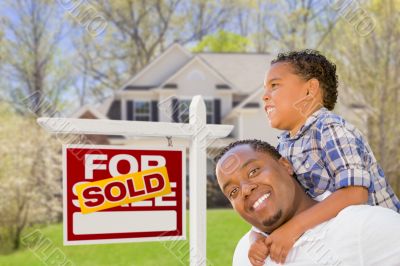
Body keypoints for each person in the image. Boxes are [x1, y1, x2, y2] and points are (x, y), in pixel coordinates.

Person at [243, 50, 400, 264]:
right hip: (337, 246)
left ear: (310, 89)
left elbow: (355, 194)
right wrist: (256, 238)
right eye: (265, 89)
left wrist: (294, 228)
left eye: (275, 85)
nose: (265, 96)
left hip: (376, 248)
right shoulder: (284, 146)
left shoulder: (330, 129)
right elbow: (281, 203)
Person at [214, 139, 400, 265]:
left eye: (254, 171)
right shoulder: (244, 252)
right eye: (233, 191)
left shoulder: (363, 226)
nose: (245, 190)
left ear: (285, 165)